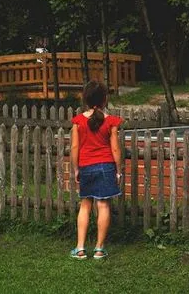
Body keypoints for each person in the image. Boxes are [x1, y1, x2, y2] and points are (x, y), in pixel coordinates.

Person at [70, 80, 123, 259]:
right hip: (106, 167)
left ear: (85, 98)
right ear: (104, 99)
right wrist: (118, 170)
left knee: (85, 205)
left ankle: (80, 248)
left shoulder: (77, 122)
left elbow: (74, 148)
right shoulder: (111, 122)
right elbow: (115, 149)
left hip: (86, 166)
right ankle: (99, 249)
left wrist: (76, 169)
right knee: (103, 205)